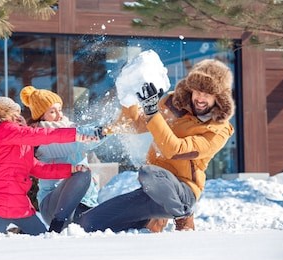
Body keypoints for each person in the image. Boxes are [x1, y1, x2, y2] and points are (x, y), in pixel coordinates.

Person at [78, 59, 235, 232]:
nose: (200, 98)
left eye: (207, 93)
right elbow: (136, 124)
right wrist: (127, 94)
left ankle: (183, 215)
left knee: (149, 173)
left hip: (183, 191)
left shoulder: (218, 130)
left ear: (218, 97)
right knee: (88, 223)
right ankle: (148, 222)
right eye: (197, 91)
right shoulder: (173, 104)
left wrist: (152, 111)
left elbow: (175, 150)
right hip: (152, 189)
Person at [0, 93, 96, 236]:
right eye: (16, 113)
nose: (19, 117)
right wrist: (74, 135)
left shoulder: (18, 141)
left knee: (43, 242)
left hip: (19, 206)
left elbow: (37, 168)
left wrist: (70, 169)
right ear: (5, 115)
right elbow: (40, 135)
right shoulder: (3, 130)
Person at [20, 85, 104, 233]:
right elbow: (75, 143)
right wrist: (103, 131)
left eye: (59, 109)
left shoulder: (71, 127)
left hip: (84, 203)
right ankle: (57, 227)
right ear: (41, 116)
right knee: (82, 173)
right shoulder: (41, 139)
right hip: (53, 205)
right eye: (52, 111)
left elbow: (79, 136)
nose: (59, 115)